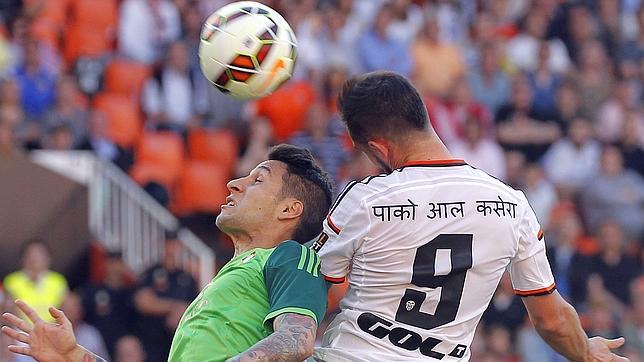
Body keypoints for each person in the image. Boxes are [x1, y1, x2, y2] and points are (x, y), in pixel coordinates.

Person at [312, 71, 628, 361]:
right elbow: (552, 320)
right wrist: (586, 351)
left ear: (378, 149)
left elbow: (308, 283)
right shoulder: (512, 204)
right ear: (422, 117)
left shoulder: (367, 198)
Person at [2, 144, 332, 362]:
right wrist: (73, 355)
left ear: (290, 209)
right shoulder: (229, 278)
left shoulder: (289, 255)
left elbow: (297, 338)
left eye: (257, 180)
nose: (234, 183)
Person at [133, 230, 197, 362]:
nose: (170, 248)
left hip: (176, 340)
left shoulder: (187, 278)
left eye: (173, 244)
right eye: (167, 243)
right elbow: (143, 303)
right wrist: (174, 307)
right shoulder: (150, 273)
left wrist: (161, 304)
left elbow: (194, 307)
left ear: (179, 246)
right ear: (162, 245)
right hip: (151, 340)